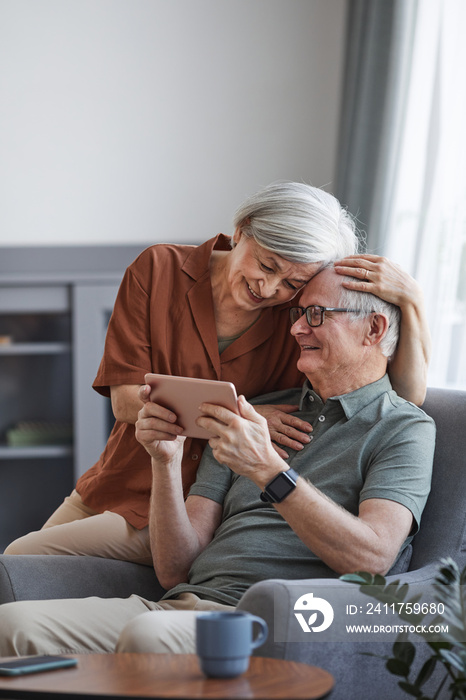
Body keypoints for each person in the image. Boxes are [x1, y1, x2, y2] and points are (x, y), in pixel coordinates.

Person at [0, 264, 435, 657]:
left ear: (374, 329)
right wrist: (165, 462)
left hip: (276, 624)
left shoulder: (403, 429)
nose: (297, 329)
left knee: (149, 636)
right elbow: (174, 569)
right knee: (12, 626)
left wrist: (270, 470)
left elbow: (372, 558)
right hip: (179, 606)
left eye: (317, 314)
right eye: (296, 314)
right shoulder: (252, 413)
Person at [4, 182, 431, 564]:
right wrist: (241, 419)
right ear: (243, 230)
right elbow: (127, 400)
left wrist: (412, 302)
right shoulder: (157, 270)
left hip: (189, 511)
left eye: (292, 283)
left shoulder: (294, 320)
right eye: (266, 265)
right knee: (14, 571)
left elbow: (404, 396)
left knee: (21, 560)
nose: (270, 290)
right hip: (113, 482)